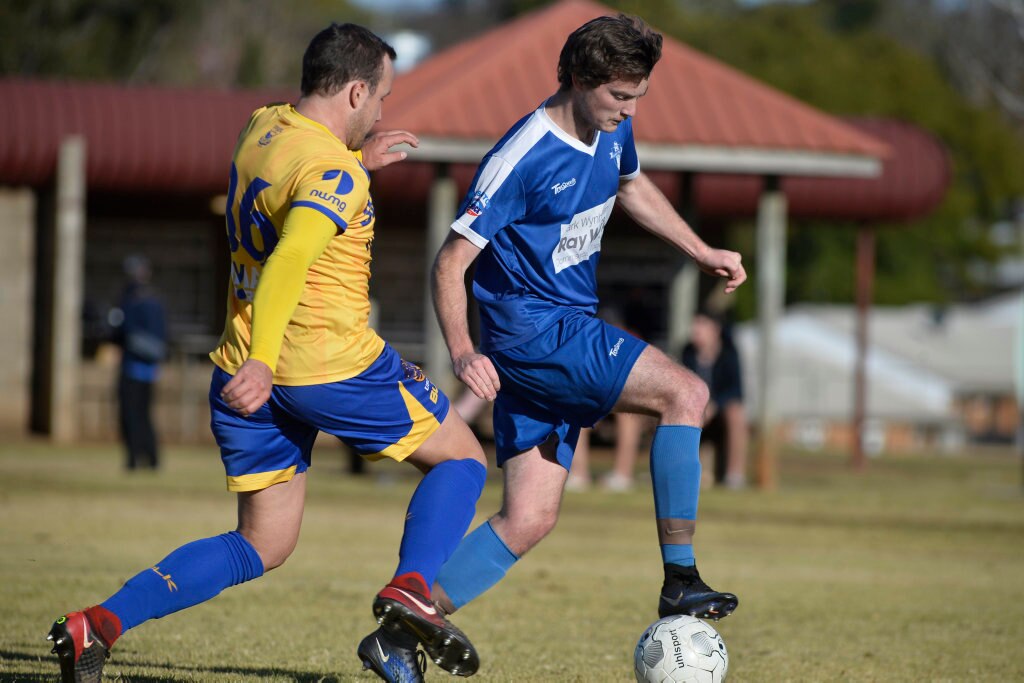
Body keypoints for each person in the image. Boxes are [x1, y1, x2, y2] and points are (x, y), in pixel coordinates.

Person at [48, 23, 487, 683]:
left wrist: (356, 164)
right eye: (381, 99)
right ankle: (412, 589)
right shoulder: (334, 172)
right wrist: (264, 354)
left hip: (243, 371)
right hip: (320, 362)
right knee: (462, 458)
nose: (381, 113)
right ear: (356, 90)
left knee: (262, 543)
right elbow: (289, 259)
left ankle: (99, 624)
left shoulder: (263, 127)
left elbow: (289, 195)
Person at [426, 12, 746, 656]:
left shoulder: (609, 131)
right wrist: (462, 352)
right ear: (577, 79)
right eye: (618, 97)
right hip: (536, 332)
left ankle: (408, 621)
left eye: (638, 98)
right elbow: (450, 261)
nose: (628, 111)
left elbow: (630, 184)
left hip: (559, 331)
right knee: (685, 393)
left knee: (529, 518)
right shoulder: (522, 155)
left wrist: (699, 248)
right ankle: (680, 578)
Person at [112, 254, 167, 471]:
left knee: (131, 415)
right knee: (145, 414)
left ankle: (135, 458)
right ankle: (152, 458)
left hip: (132, 366)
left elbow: (120, 330)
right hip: (150, 369)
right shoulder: (155, 300)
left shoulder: (131, 299)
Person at [681, 310, 748, 489]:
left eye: (701, 325)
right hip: (696, 410)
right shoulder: (688, 352)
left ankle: (735, 475)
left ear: (715, 330)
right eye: (695, 325)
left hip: (719, 412)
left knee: (736, 413)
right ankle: (675, 471)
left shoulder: (728, 353)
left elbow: (735, 390)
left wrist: (714, 404)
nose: (696, 330)